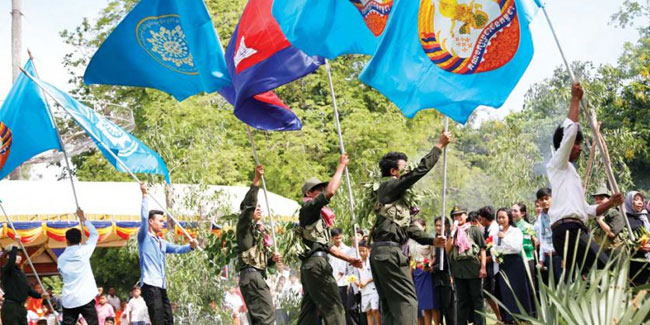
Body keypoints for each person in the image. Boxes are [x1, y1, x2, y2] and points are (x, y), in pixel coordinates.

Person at [370, 130, 450, 325]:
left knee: (391, 304)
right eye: (404, 169)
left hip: (383, 252)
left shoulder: (393, 199)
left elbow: (408, 229)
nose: (407, 172)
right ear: (394, 172)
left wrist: (432, 240)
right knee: (407, 302)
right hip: (389, 253)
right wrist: (438, 147)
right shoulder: (389, 186)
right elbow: (418, 172)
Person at [547, 83, 623, 276]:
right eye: (577, 144)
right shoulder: (558, 164)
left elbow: (588, 210)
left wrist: (611, 203)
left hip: (574, 230)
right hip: (568, 232)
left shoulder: (570, 172)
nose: (580, 148)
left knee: (588, 279)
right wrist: (575, 100)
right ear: (565, 145)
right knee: (609, 270)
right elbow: (570, 132)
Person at [297, 153, 362, 325]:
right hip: (316, 266)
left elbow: (327, 247)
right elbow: (331, 191)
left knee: (309, 313)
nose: (322, 192)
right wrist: (341, 166)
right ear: (309, 193)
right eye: (318, 189)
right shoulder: (308, 208)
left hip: (312, 266)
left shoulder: (316, 217)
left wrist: (350, 259)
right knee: (334, 308)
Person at [137, 183, 199, 325]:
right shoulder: (144, 238)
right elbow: (144, 218)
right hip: (150, 285)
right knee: (158, 320)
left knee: (168, 320)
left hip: (161, 285)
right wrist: (145, 195)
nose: (163, 223)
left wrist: (191, 246)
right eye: (160, 221)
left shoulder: (162, 242)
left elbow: (178, 249)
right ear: (151, 222)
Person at [236, 165, 282, 325]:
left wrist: (272, 259)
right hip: (252, 277)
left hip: (256, 276)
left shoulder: (259, 232)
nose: (258, 209)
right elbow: (248, 208)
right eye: (256, 207)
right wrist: (256, 180)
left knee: (262, 319)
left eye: (259, 207)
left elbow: (264, 262)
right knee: (266, 319)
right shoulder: (244, 227)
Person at [445, 206, 487, 325]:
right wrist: (452, 233)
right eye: (455, 215)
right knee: (462, 301)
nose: (458, 217)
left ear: (466, 215)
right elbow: (447, 250)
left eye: (460, 214)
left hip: (473, 270)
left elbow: (482, 250)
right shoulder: (452, 232)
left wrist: (483, 267)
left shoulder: (474, 230)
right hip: (459, 272)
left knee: (477, 299)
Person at [58, 209, 100, 325]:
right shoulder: (84, 251)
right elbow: (95, 234)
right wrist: (84, 219)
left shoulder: (61, 259)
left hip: (69, 299)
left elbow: (62, 274)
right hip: (85, 297)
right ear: (81, 239)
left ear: (66, 240)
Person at [492, 208, 533, 324]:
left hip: (515, 263)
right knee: (505, 291)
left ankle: (521, 316)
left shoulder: (516, 231)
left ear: (509, 218)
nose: (501, 220)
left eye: (503, 217)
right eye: (499, 217)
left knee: (517, 290)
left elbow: (517, 247)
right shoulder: (496, 234)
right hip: (502, 262)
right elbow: (495, 247)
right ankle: (508, 317)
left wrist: (504, 238)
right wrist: (494, 253)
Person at [1, 236, 47, 325]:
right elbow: (10, 263)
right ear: (7, 256)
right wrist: (15, 244)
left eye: (20, 255)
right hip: (11, 307)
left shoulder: (21, 273)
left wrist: (41, 295)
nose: (18, 257)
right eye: (16, 255)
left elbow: (28, 290)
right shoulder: (6, 269)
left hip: (21, 308)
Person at [408, 219, 435, 325]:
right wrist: (410, 274)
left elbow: (434, 257)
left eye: (417, 227)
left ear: (424, 227)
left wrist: (428, 265)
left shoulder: (429, 239)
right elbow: (412, 259)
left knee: (428, 304)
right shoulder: (410, 241)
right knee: (418, 304)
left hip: (426, 271)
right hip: (415, 272)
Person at [533, 188, 561, 285]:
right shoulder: (541, 216)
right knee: (552, 285)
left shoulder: (558, 213)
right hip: (548, 255)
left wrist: (565, 257)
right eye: (541, 199)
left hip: (559, 255)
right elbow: (542, 238)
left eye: (547, 198)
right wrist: (541, 260)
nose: (544, 201)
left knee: (563, 284)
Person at [477, 205, 500, 322]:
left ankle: (502, 318)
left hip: (495, 265)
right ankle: (500, 317)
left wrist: (484, 259)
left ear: (485, 219)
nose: (480, 221)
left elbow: (497, 251)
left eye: (481, 219)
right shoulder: (486, 230)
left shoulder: (495, 230)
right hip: (488, 265)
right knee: (487, 292)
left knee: (495, 292)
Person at [431, 217, 456, 325]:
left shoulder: (449, 238)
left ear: (446, 226)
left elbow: (447, 259)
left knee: (449, 308)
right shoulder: (436, 238)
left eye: (440, 225)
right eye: (436, 225)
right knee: (439, 307)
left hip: (447, 275)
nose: (438, 227)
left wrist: (434, 268)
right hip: (437, 277)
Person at [624, 191, 650, 285]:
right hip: (633, 260)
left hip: (647, 258)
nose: (640, 202)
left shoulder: (645, 217)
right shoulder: (625, 218)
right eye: (636, 199)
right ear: (629, 202)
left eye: (641, 200)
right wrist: (636, 247)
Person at [590, 186, 625, 251]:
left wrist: (600, 220)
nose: (598, 201)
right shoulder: (594, 214)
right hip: (600, 250)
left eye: (601, 198)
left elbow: (612, 233)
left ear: (609, 199)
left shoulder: (615, 214)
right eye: (596, 199)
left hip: (614, 252)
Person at [356, 240, 379, 325]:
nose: (361, 253)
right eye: (360, 251)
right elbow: (354, 275)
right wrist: (356, 282)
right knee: (368, 312)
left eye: (363, 251)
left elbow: (376, 274)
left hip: (373, 289)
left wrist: (367, 281)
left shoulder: (372, 260)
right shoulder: (358, 261)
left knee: (375, 310)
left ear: (368, 249)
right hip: (364, 290)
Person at [512, 203, 537, 274]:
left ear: (522, 213)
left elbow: (534, 245)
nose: (512, 213)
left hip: (527, 259)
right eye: (512, 211)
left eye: (515, 211)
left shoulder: (528, 227)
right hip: (514, 261)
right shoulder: (510, 227)